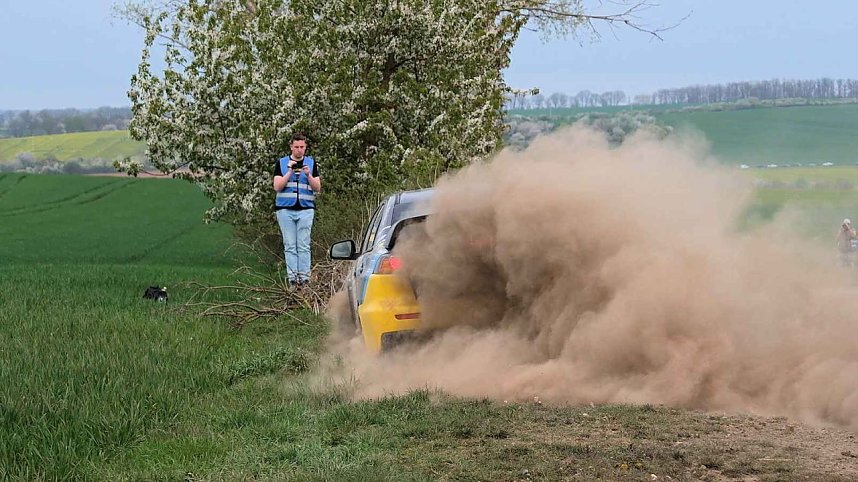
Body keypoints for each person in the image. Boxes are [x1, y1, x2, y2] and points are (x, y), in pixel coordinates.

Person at [273, 133, 321, 285]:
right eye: (297, 147)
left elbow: (317, 188)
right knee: (290, 245)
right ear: (291, 147)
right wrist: (289, 172)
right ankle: (293, 280)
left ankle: (305, 279)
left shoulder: (311, 164)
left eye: (302, 147)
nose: (299, 150)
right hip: (285, 209)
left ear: (305, 148)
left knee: (303, 245)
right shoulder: (281, 163)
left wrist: (308, 175)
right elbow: (277, 186)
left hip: (306, 209)